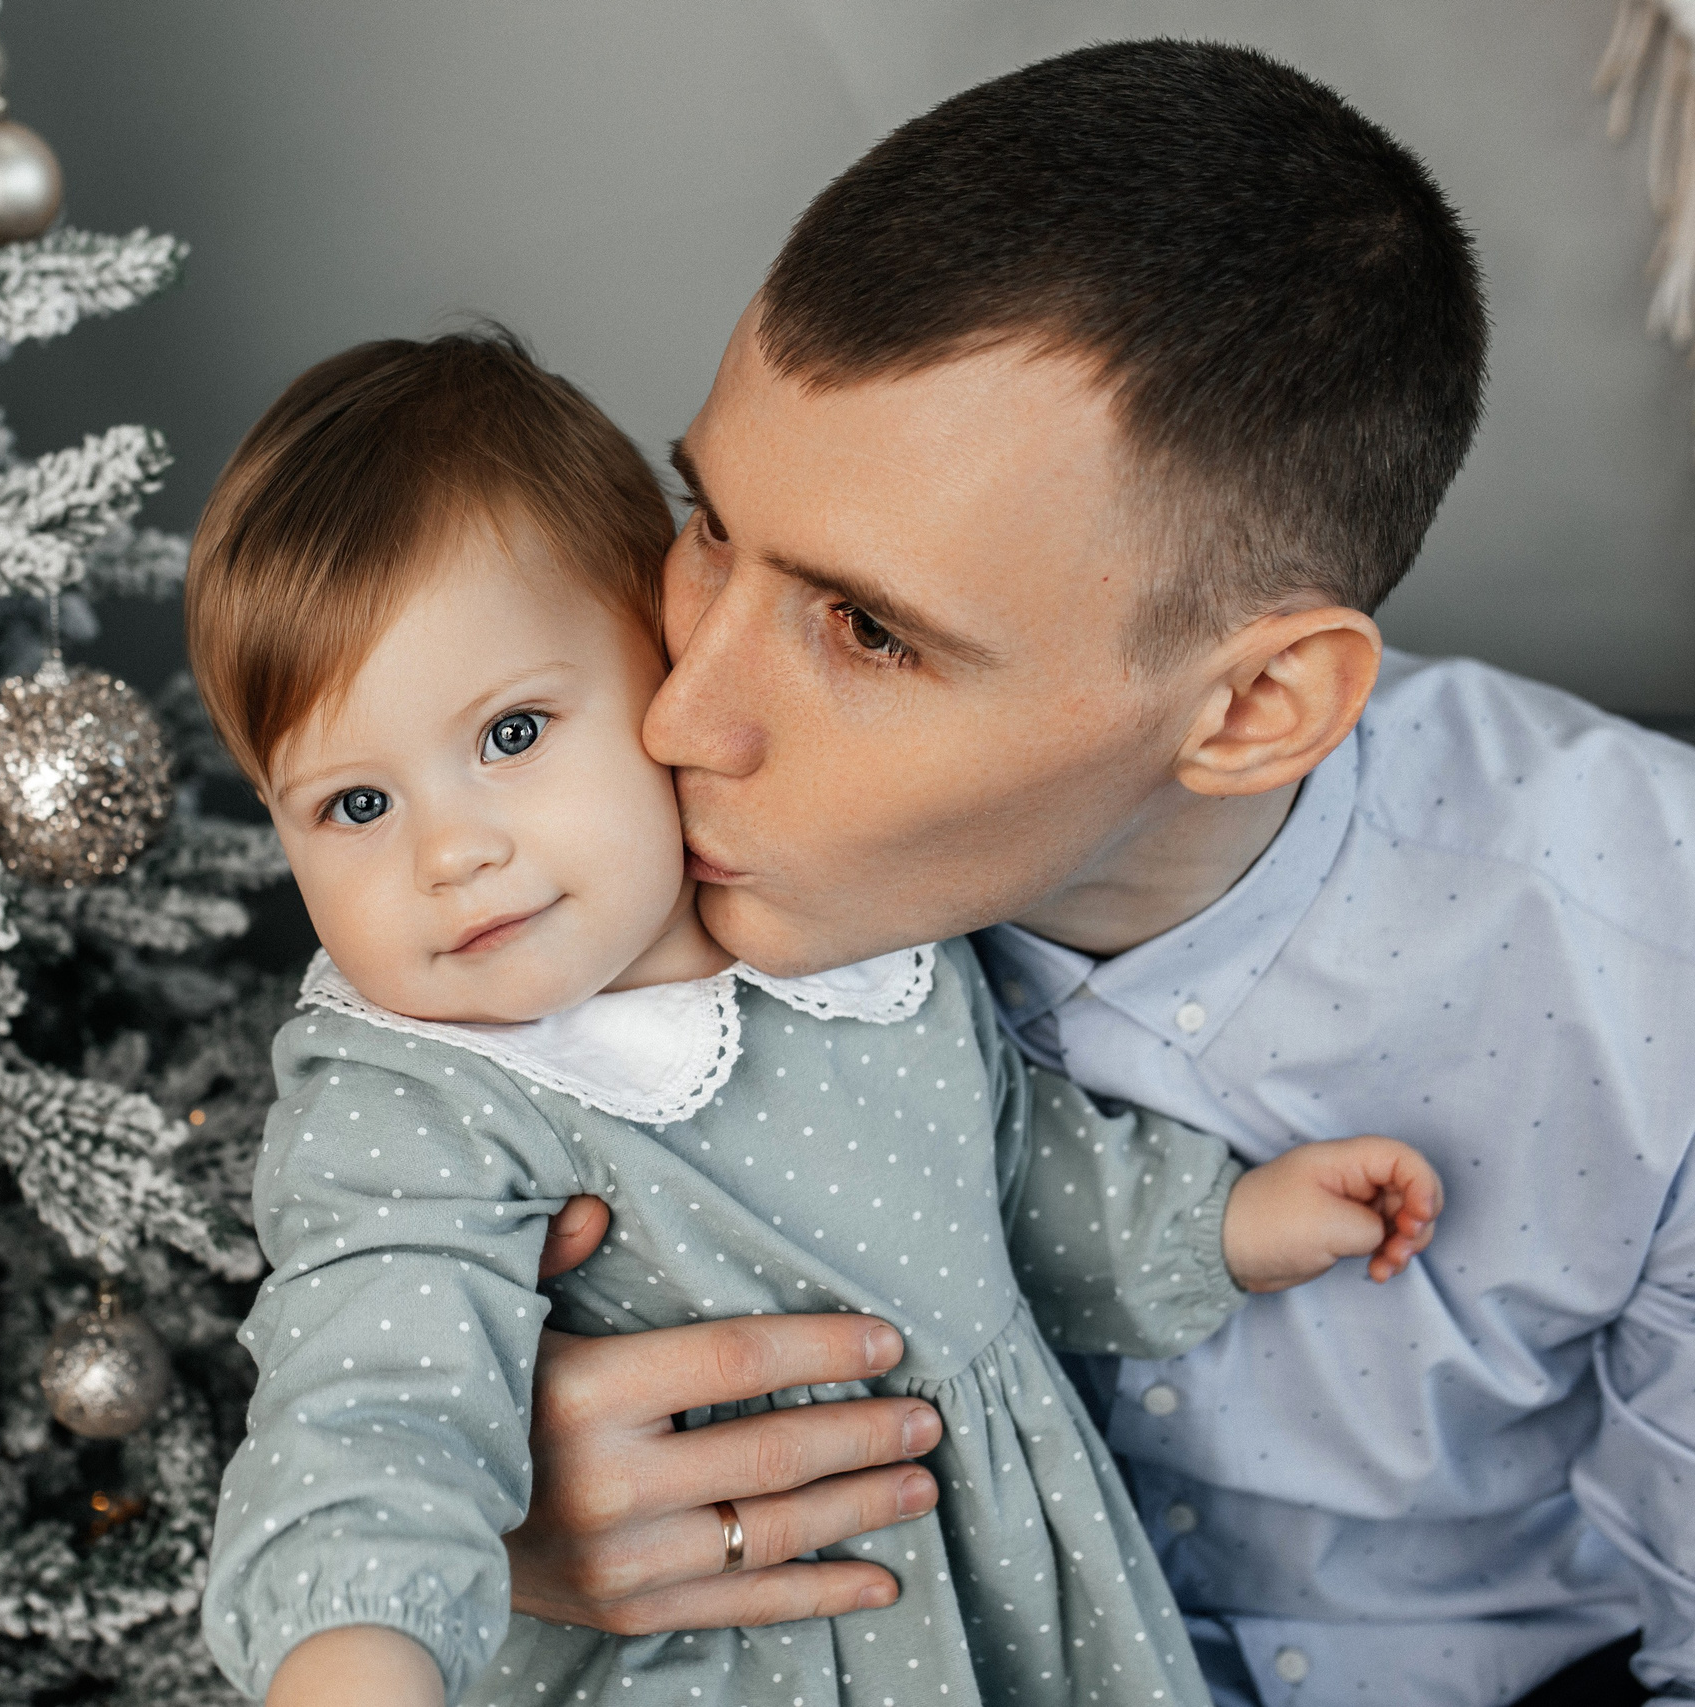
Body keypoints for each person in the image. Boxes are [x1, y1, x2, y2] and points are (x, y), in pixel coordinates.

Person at [496, 39, 1695, 1707]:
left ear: (1256, 708)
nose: (685, 714)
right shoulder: (553, 850)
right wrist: (493, 1520)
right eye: (705, 525)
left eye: (864, 628)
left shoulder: (1660, 971)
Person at [184, 330, 1443, 1707]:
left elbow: (1009, 1163)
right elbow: (374, 1390)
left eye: (512, 735)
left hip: (1015, 1586)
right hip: (717, 1649)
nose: (449, 853)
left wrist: (1222, 1225)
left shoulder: (841, 926)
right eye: (354, 806)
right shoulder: (417, 1093)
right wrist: (354, 1646)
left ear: (665, 661)